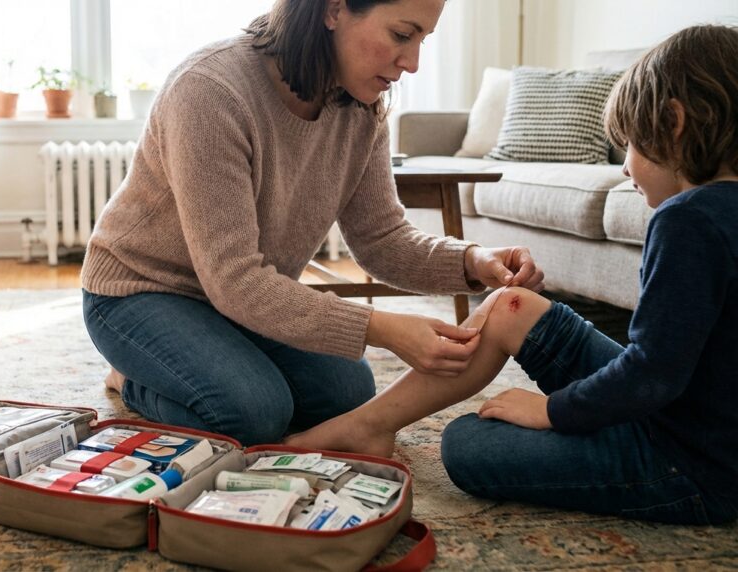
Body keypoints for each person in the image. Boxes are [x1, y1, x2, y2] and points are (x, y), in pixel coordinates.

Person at [286, 24, 738, 525]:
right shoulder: (708, 214)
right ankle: (368, 425)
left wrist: (552, 412)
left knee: (466, 443)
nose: (626, 169)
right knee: (509, 308)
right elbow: (666, 366)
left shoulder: (687, 220)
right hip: (689, 419)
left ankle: (369, 426)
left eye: (629, 144)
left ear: (673, 123)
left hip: (692, 466)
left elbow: (652, 374)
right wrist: (474, 262)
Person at [81, 0, 544, 446]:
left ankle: (208, 362)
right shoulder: (209, 90)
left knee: (347, 394)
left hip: (234, 302)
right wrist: (382, 327)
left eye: (423, 39)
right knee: (254, 413)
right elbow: (235, 279)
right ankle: (131, 379)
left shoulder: (363, 107)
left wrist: (473, 260)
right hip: (138, 291)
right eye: (402, 34)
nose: (413, 62)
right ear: (333, 8)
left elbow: (382, 239)